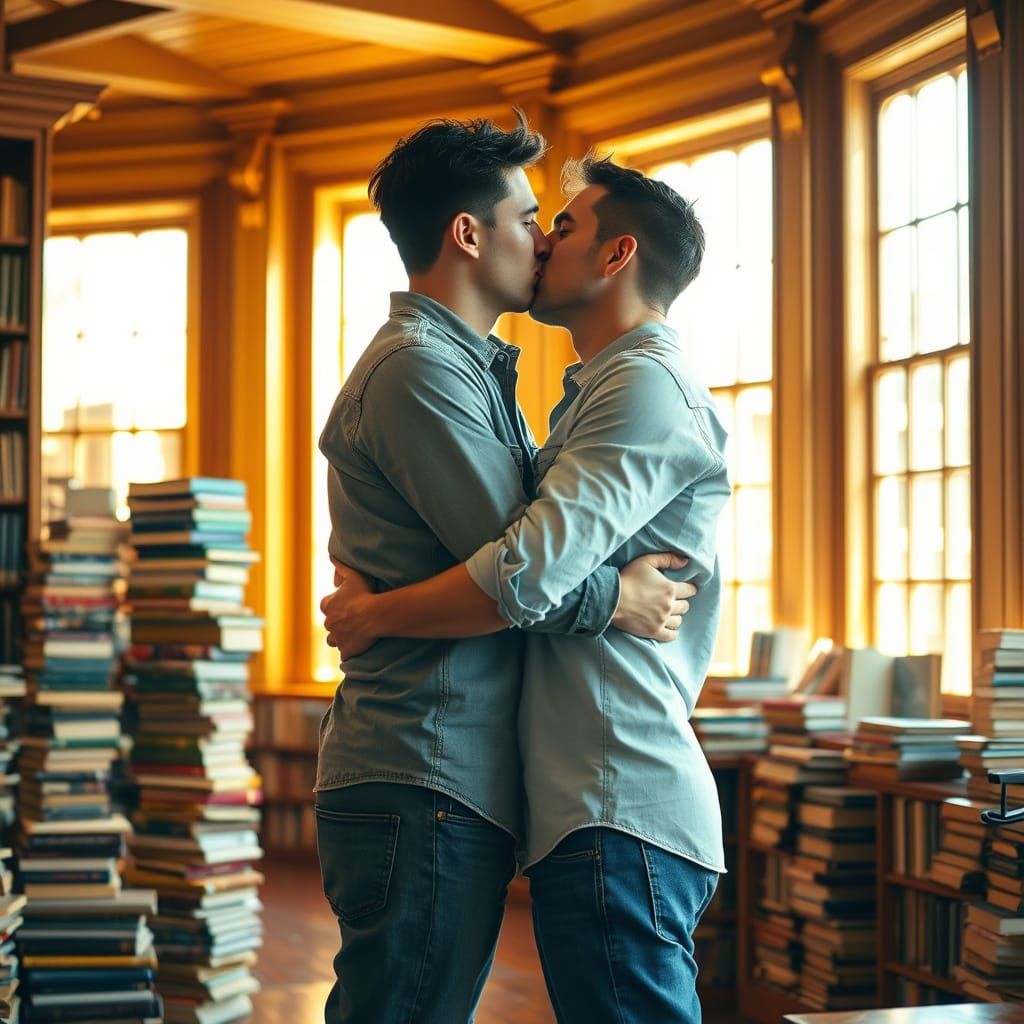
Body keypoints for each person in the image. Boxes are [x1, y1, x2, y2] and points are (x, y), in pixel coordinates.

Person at [323, 155, 732, 1024]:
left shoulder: (640, 385)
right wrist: (614, 599)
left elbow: (522, 571)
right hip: (536, 789)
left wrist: (375, 612)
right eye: (531, 218)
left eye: (565, 224)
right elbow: (529, 567)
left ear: (617, 257)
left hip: (614, 793)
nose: (544, 238)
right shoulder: (467, 374)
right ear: (469, 235)